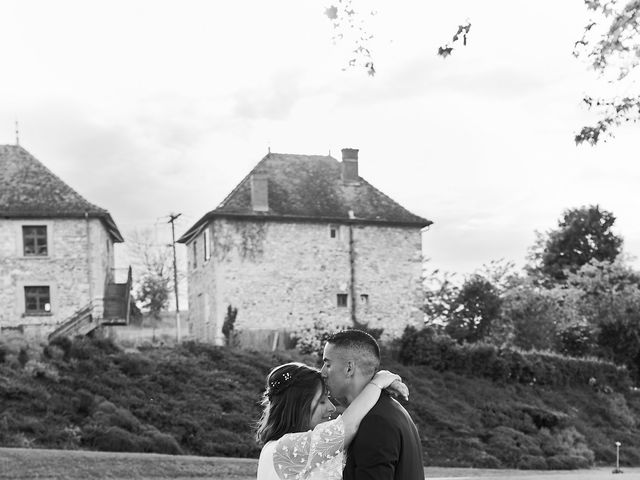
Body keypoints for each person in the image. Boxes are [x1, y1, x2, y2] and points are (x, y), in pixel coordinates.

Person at [255, 361, 408, 480]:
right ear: (298, 404)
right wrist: (378, 383)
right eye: (322, 401)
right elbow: (347, 426)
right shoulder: (285, 449)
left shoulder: (277, 447)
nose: (331, 408)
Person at [321, 329, 424, 480]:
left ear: (349, 368)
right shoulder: (388, 409)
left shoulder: (376, 421)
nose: (322, 372)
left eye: (327, 364)